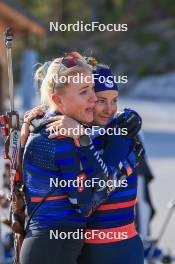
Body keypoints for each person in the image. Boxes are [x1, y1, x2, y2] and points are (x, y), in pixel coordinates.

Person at [28, 62, 144, 263]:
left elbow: (103, 182)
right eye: (100, 100)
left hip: (122, 247)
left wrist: (132, 117)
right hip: (84, 249)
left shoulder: (120, 132)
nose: (109, 109)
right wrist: (33, 122)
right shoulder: (69, 130)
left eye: (114, 100)